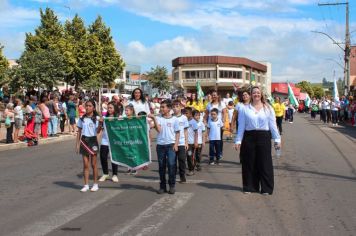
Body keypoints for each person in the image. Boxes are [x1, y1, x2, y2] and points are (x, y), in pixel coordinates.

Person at [234, 86, 281, 195]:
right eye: (254, 93)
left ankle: (266, 188)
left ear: (261, 94)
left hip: (264, 136)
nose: (256, 94)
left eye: (258, 93)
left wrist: (277, 139)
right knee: (249, 162)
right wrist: (238, 141)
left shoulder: (268, 108)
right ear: (251, 95)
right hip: (249, 136)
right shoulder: (245, 109)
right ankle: (250, 186)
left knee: (265, 162)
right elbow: (241, 126)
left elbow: (273, 125)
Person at [150, 99, 180, 194]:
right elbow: (159, 130)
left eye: (163, 107)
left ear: (169, 108)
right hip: (160, 146)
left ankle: (172, 185)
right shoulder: (158, 118)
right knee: (162, 166)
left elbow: (177, 132)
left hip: (171, 145)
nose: (161, 109)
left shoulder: (175, 119)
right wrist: (154, 119)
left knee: (171, 165)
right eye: (161, 107)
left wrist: (176, 144)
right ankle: (162, 186)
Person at [76, 100, 102, 192]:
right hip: (84, 141)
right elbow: (79, 132)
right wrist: (77, 145)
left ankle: (95, 184)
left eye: (90, 106)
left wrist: (101, 123)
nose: (87, 107)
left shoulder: (97, 118)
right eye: (86, 106)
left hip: (93, 141)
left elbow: (98, 131)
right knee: (85, 165)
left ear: (93, 108)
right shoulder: (82, 118)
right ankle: (86, 185)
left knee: (93, 164)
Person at [98, 101, 119, 183]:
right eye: (108, 108)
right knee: (103, 157)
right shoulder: (104, 117)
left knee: (114, 158)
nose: (109, 109)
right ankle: (105, 173)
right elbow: (99, 130)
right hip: (105, 140)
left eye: (111, 108)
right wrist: (100, 122)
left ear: (115, 109)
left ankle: (115, 174)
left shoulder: (119, 117)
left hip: (114, 140)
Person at [205, 90, 227, 156]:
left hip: (219, 124)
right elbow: (206, 114)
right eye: (212, 95)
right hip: (211, 124)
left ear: (218, 96)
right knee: (211, 139)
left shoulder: (222, 103)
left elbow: (224, 113)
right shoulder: (209, 104)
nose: (213, 96)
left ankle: (219, 152)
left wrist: (223, 122)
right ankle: (212, 153)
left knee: (219, 139)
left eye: (215, 95)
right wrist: (205, 121)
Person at [172, 100, 189, 183]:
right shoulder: (171, 117)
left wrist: (186, 142)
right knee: (172, 161)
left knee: (182, 159)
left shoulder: (184, 117)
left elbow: (185, 130)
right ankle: (173, 176)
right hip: (172, 142)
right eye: (174, 106)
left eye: (177, 106)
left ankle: (182, 176)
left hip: (182, 142)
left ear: (181, 107)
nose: (175, 108)